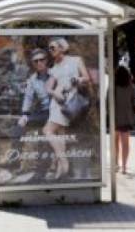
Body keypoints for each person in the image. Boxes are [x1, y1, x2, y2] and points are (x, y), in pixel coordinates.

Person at [44, 37, 91, 179]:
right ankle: (61, 170)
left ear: (62, 48)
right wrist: (54, 93)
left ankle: (63, 160)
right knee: (60, 134)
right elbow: (48, 87)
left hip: (69, 102)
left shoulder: (75, 60)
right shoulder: (54, 68)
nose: (50, 50)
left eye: (53, 47)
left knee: (47, 130)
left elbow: (87, 78)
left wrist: (78, 80)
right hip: (56, 103)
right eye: (49, 48)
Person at [17, 48, 54, 180]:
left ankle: (41, 170)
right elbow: (28, 97)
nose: (39, 63)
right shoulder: (32, 79)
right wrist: (25, 114)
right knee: (18, 128)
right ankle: (15, 162)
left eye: (41, 60)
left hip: (58, 111)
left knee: (46, 133)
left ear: (47, 61)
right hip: (44, 112)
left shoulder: (55, 74)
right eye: (36, 61)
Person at [114, 66, 135, 174]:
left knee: (115, 142)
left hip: (114, 118)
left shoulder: (113, 87)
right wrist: (133, 116)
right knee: (125, 143)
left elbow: (107, 102)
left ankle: (115, 164)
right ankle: (124, 166)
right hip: (127, 119)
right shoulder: (131, 87)